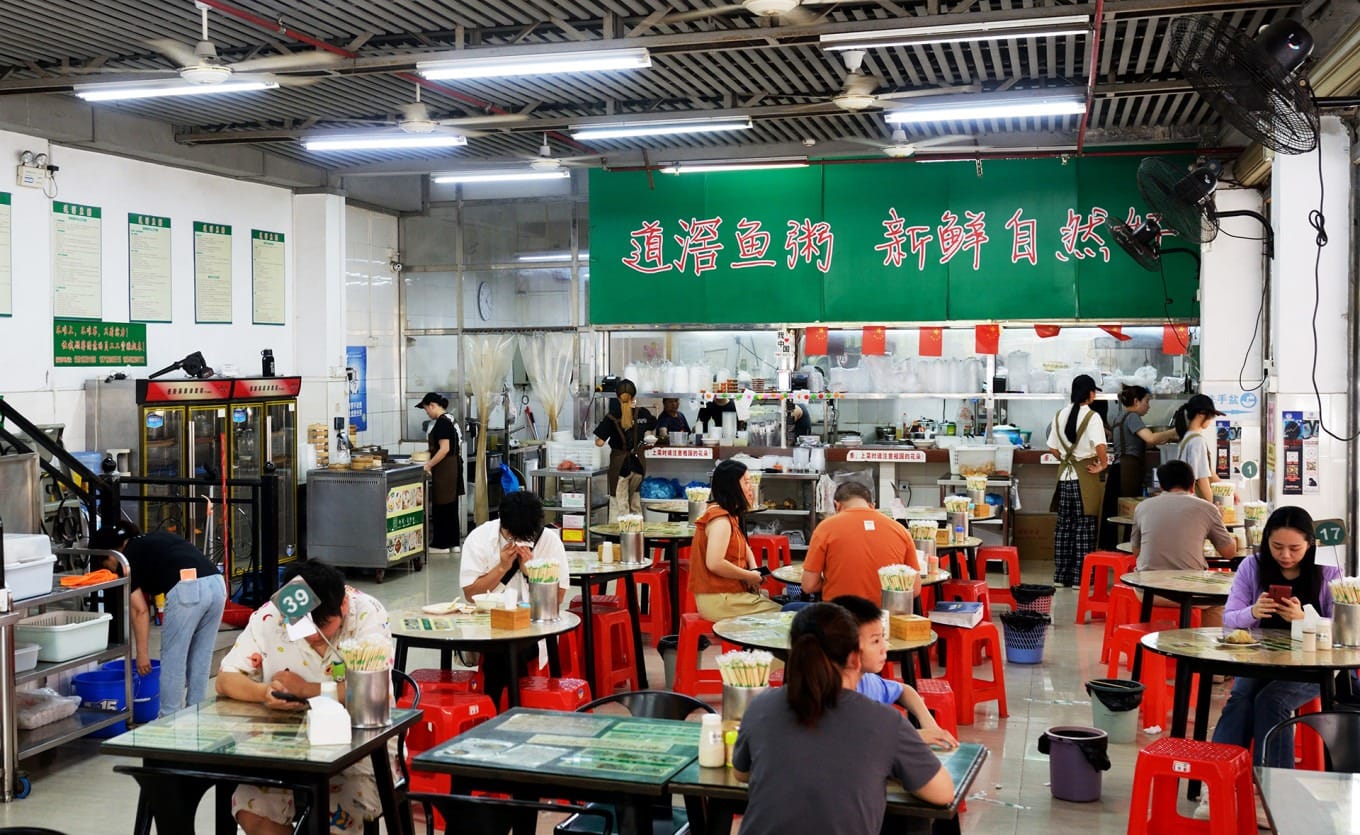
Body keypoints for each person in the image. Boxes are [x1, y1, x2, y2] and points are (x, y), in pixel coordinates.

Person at [731, 603, 953, 835]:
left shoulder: (760, 705)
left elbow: (741, 772)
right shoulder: (884, 722)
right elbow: (943, 793)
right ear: (856, 659)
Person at [217, 561, 392, 835]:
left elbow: (374, 692)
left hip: (360, 750)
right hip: (283, 750)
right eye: (302, 631)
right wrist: (264, 693)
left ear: (343, 606)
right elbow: (226, 679)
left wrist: (305, 689)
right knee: (253, 811)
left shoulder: (368, 615)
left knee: (336, 817)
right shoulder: (272, 616)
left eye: (324, 630)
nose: (313, 640)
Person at [1198, 507, 1342, 822]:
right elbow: (1228, 620)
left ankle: (1276, 795)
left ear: (1310, 544)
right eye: (1277, 547)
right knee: (1240, 698)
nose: (1285, 556)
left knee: (1271, 701)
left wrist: (1307, 620)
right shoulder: (1253, 566)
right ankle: (1217, 785)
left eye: (1294, 548)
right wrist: (1253, 612)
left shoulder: (1327, 573)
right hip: (1261, 658)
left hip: (1311, 664)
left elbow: (1344, 631)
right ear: (1266, 543)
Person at [89, 521, 226, 716]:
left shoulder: (127, 559)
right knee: (201, 657)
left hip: (188, 588)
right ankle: (197, 715)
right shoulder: (153, 540)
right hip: (217, 584)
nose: (110, 569)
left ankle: (169, 720)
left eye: (105, 563)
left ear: (111, 553)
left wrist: (142, 654)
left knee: (174, 658)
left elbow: (140, 611)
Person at [459, 490, 570, 704]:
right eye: (512, 537)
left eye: (526, 537)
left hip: (535, 627)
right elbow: (470, 594)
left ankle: (504, 707)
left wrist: (531, 573)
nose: (519, 542)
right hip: (488, 625)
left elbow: (557, 599)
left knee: (511, 650)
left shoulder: (550, 543)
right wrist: (501, 568)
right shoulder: (480, 539)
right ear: (503, 525)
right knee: (500, 649)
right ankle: (504, 708)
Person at [831, 595, 958, 750]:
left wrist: (930, 725)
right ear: (849, 648)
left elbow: (904, 690)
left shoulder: (867, 681)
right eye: (876, 641)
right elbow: (857, 741)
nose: (884, 648)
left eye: (883, 638)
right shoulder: (831, 697)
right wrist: (916, 736)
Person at [1130, 460, 1235, 625]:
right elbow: (1229, 552)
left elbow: (1136, 551)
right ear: (1193, 485)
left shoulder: (1142, 507)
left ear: (1162, 487)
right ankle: (1209, 648)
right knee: (1220, 601)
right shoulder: (1207, 508)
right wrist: (1219, 522)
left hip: (1147, 591)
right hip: (1189, 591)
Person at [689, 459, 780, 621]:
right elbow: (715, 563)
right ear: (731, 487)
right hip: (719, 599)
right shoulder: (720, 520)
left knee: (775, 604)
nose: (751, 488)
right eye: (746, 482)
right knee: (783, 614)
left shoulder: (730, 514)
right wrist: (748, 576)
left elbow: (744, 545)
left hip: (727, 594)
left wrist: (753, 569)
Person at [801, 481, 918, 602]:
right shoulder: (900, 530)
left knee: (792, 607)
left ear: (837, 506)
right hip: (886, 616)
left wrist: (832, 583)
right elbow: (915, 588)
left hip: (840, 615)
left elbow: (809, 585)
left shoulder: (825, 528)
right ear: (871, 505)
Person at [1046, 373, 1109, 588]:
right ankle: (1080, 578)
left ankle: (1061, 575)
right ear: (1091, 393)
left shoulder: (1058, 415)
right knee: (1085, 526)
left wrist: (1066, 459)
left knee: (1064, 526)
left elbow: (1052, 447)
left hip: (1065, 477)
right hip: (1086, 476)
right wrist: (1103, 464)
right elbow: (1100, 445)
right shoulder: (1093, 417)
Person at [1099, 385, 1179, 548]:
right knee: (1129, 513)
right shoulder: (1132, 416)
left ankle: (1112, 548)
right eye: (1147, 401)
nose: (1148, 406)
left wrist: (1162, 439)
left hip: (1117, 470)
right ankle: (1127, 548)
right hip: (1128, 470)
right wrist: (1175, 431)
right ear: (1136, 401)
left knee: (1114, 512)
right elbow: (1150, 439)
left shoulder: (1119, 417)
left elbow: (1139, 442)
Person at [592, 378, 654, 519]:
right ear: (634, 396)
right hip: (639, 466)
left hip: (620, 467)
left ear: (617, 396)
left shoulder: (612, 416)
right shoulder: (643, 413)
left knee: (619, 505)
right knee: (635, 504)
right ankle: (636, 538)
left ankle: (618, 539)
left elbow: (600, 442)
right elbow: (652, 428)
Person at [416, 392, 463, 554]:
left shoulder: (442, 423)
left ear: (432, 406)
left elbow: (444, 449)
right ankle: (453, 543)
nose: (427, 413)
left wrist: (428, 465)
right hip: (453, 467)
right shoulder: (450, 419)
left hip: (445, 469)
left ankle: (441, 544)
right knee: (450, 505)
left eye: (426, 409)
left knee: (441, 505)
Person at [1173, 393, 1226, 503]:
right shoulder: (1197, 441)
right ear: (1201, 414)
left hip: (1184, 501)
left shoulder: (1186, 437)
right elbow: (1202, 480)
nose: (1211, 420)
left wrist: (1227, 490)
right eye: (1211, 416)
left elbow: (1208, 471)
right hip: (1195, 502)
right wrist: (1214, 507)